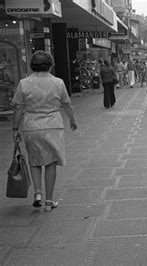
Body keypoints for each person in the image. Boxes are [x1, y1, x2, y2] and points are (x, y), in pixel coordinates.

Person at [11, 50, 77, 212]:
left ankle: (38, 193)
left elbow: (18, 108)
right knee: (51, 162)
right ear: (50, 65)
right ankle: (49, 201)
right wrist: (72, 120)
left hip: (31, 126)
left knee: (34, 161)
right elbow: (67, 104)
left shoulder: (24, 83)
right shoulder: (58, 82)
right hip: (53, 126)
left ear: (32, 65)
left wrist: (15, 128)